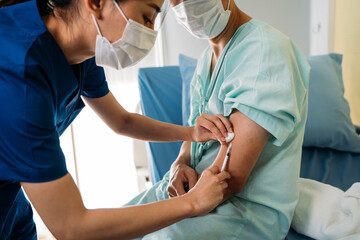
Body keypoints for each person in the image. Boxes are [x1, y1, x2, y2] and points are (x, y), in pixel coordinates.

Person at [0, 0, 233, 239]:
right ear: (96, 3)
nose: (150, 34)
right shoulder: (18, 76)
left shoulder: (79, 51)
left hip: (11, 200)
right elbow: (71, 227)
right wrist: (192, 203)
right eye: (146, 18)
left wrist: (190, 133)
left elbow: (122, 121)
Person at [125, 0, 311, 239]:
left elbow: (229, 179)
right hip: (191, 195)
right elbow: (195, 136)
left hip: (239, 210)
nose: (180, 4)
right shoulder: (205, 60)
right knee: (113, 227)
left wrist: (176, 207)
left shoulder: (267, 51)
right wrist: (179, 164)